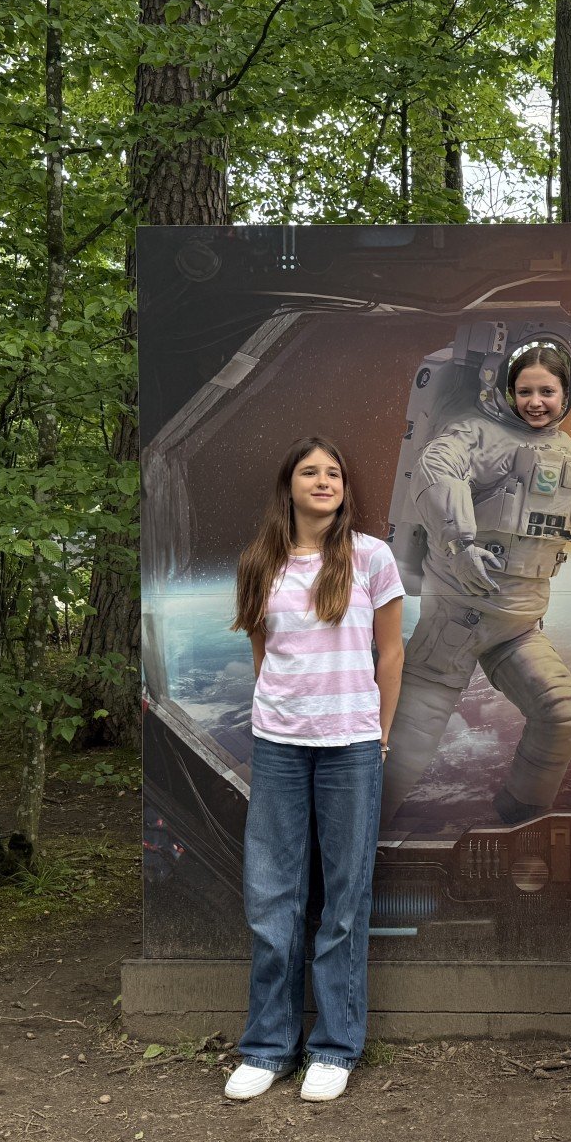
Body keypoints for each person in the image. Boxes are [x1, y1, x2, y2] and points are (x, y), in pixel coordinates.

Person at [383, 333, 571, 826]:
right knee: (406, 746)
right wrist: (460, 544)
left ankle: (519, 820)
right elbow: (437, 468)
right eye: (525, 391)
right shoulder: (477, 434)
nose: (536, 402)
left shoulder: (570, 453)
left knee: (561, 715)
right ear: (507, 390)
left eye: (547, 392)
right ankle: (358, 840)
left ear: (566, 395)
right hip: (458, 620)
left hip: (517, 627)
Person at [223, 436, 404, 1104]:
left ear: (344, 488)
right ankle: (268, 1047)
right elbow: (262, 653)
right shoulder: (259, 562)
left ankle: (334, 1046)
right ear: (289, 485)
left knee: (344, 900)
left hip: (351, 745)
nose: (323, 480)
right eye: (309, 471)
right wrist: (278, 716)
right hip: (278, 746)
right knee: (272, 896)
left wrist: (380, 732)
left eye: (333, 472)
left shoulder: (371, 557)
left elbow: (391, 653)